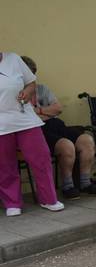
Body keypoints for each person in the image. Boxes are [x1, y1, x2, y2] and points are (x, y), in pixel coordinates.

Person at [22, 56, 96, 199]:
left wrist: (38, 111)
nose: (31, 78)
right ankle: (68, 185)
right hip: (37, 131)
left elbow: (58, 108)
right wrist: (47, 112)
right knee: (66, 145)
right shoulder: (16, 94)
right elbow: (25, 117)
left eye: (33, 74)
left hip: (56, 124)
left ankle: (85, 182)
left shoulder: (42, 89)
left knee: (87, 140)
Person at [0, 51, 63, 216]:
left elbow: (31, 83)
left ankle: (49, 199)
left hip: (25, 119)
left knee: (41, 158)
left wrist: (28, 91)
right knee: (5, 165)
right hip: (1, 125)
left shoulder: (13, 59)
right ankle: (12, 203)